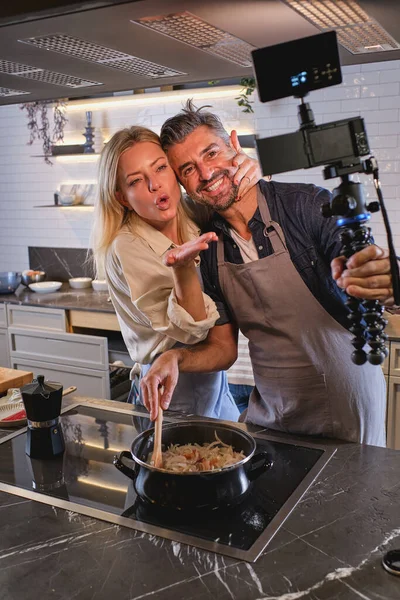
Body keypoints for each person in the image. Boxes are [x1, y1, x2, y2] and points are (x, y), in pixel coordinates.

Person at [140, 101, 394, 446]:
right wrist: (175, 357)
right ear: (184, 184)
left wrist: (380, 275)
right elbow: (223, 350)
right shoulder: (209, 247)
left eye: (211, 153)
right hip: (273, 418)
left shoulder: (305, 205)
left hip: (348, 407)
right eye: (188, 169)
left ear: (233, 144)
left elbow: (360, 266)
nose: (205, 174)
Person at [91, 125, 259, 421]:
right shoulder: (126, 245)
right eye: (136, 181)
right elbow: (191, 329)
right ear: (121, 197)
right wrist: (183, 269)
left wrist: (247, 174)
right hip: (167, 389)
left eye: (160, 168)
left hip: (215, 383)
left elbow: (245, 211)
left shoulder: (195, 214)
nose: (154, 185)